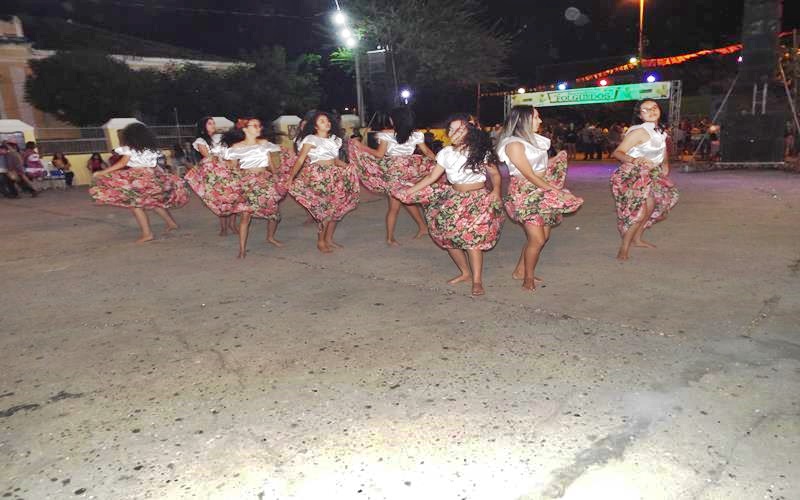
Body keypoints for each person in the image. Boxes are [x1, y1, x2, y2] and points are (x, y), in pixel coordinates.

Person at [397, 113, 504, 297]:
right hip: (453, 198)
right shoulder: (445, 153)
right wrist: (411, 190)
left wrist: (496, 191)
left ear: (469, 131)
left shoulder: (480, 151)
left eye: (459, 128)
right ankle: (465, 272)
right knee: (448, 239)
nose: (455, 132)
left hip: (477, 198)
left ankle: (477, 280)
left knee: (473, 241)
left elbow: (495, 175)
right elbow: (432, 177)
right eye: (452, 129)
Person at [497, 106, 584, 292]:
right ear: (523, 120)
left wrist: (556, 159)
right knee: (536, 239)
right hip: (525, 192)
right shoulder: (514, 144)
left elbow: (539, 166)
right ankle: (528, 278)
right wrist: (556, 191)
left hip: (541, 187)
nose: (540, 120)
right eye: (536, 117)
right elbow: (528, 174)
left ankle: (520, 271)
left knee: (542, 237)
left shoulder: (534, 141)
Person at [350, 107, 436, 246]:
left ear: (394, 120)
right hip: (409, 171)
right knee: (406, 199)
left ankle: (390, 238)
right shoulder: (416, 135)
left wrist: (360, 146)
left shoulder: (386, 134)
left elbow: (379, 154)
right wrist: (439, 163)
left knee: (394, 207)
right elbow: (427, 152)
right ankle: (423, 227)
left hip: (393, 173)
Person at [89, 123, 188, 243]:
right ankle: (171, 224)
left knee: (135, 205)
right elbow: (156, 165)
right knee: (154, 202)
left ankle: (147, 234)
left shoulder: (130, 149)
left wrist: (103, 172)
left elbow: (122, 164)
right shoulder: (152, 150)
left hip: (138, 178)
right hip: (152, 176)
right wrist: (164, 176)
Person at [610, 99, 679, 260]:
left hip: (650, 174)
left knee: (651, 206)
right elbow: (618, 152)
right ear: (640, 115)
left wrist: (665, 164)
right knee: (639, 213)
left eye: (654, 107)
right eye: (645, 109)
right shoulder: (639, 132)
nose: (651, 111)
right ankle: (624, 248)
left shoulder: (660, 130)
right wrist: (635, 160)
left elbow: (662, 149)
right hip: (633, 175)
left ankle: (638, 239)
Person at [287, 111, 359, 253]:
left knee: (335, 210)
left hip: (335, 176)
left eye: (327, 120)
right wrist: (291, 177)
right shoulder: (311, 139)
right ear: (315, 126)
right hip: (318, 177)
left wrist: (349, 167)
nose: (326, 123)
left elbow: (336, 160)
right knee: (324, 211)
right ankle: (321, 241)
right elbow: (301, 159)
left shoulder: (334, 139)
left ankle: (329, 239)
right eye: (322, 121)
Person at [224, 117, 285, 259]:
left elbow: (270, 162)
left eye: (260, 125)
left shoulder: (264, 143)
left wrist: (276, 174)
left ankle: (270, 237)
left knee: (274, 213)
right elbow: (232, 167)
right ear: (245, 129)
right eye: (255, 125)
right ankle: (242, 249)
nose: (259, 128)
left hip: (265, 180)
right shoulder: (236, 147)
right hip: (248, 183)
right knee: (246, 216)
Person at [185, 117, 239, 236]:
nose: (213, 125)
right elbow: (209, 157)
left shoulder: (220, 137)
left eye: (213, 123)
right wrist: (223, 159)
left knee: (233, 196)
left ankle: (232, 224)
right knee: (220, 199)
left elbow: (230, 151)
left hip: (228, 169)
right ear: (203, 126)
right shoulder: (201, 141)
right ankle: (224, 227)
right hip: (214, 173)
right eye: (210, 123)